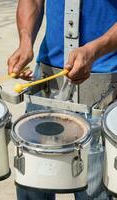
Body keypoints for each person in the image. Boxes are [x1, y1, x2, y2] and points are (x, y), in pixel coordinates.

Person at [7, 0, 117, 200]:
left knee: (93, 192)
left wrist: (95, 49)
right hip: (47, 80)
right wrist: (25, 40)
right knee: (33, 184)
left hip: (103, 86)